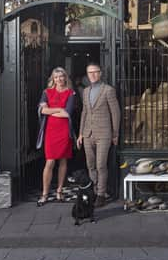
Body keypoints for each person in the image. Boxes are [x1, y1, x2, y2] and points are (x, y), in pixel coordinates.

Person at [77, 63, 121, 207]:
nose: (93, 75)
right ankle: (95, 191)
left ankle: (101, 194)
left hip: (104, 133)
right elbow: (84, 112)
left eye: (95, 72)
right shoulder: (86, 91)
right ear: (87, 75)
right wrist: (80, 134)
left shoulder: (108, 90)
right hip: (88, 133)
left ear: (100, 73)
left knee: (101, 165)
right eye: (90, 73)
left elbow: (115, 113)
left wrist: (115, 133)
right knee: (91, 165)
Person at [36, 67, 76, 206]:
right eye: (56, 77)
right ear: (53, 79)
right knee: (50, 162)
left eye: (61, 76)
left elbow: (68, 113)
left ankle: (59, 191)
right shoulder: (46, 92)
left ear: (65, 78)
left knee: (63, 161)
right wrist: (59, 109)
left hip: (64, 130)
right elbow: (43, 110)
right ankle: (45, 193)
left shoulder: (70, 93)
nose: (59, 79)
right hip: (51, 131)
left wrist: (52, 111)